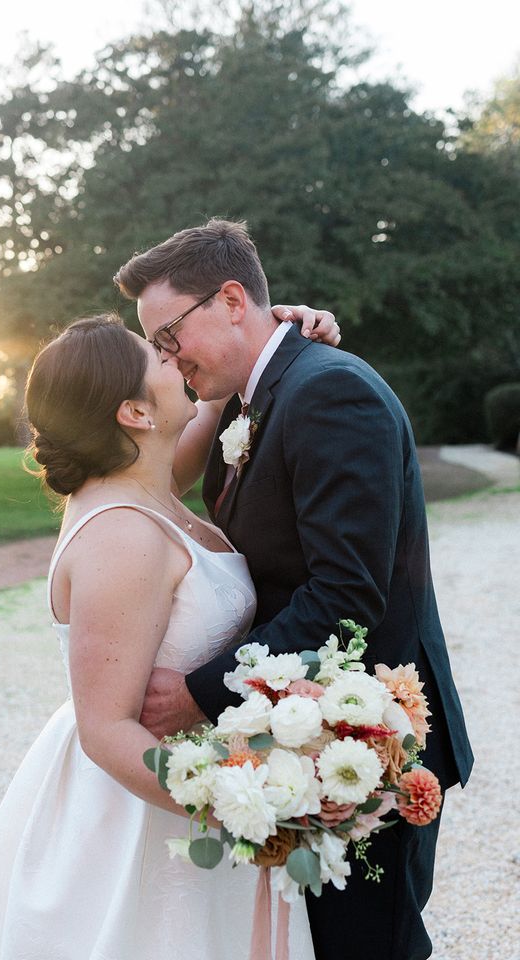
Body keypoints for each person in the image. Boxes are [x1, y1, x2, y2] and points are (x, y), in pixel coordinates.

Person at [115, 218, 474, 960]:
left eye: (169, 334)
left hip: (371, 746)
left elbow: (345, 599)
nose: (164, 355)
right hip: (305, 740)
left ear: (233, 299)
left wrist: (200, 693)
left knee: (370, 948)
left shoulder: (329, 394)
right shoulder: (254, 400)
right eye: (157, 345)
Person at [0, 307, 339, 960]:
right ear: (134, 413)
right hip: (148, 814)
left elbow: (211, 403)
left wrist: (279, 336)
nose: (173, 353)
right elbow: (107, 730)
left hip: (195, 780)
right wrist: (243, 807)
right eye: (156, 355)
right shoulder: (122, 536)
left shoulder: (146, 486)